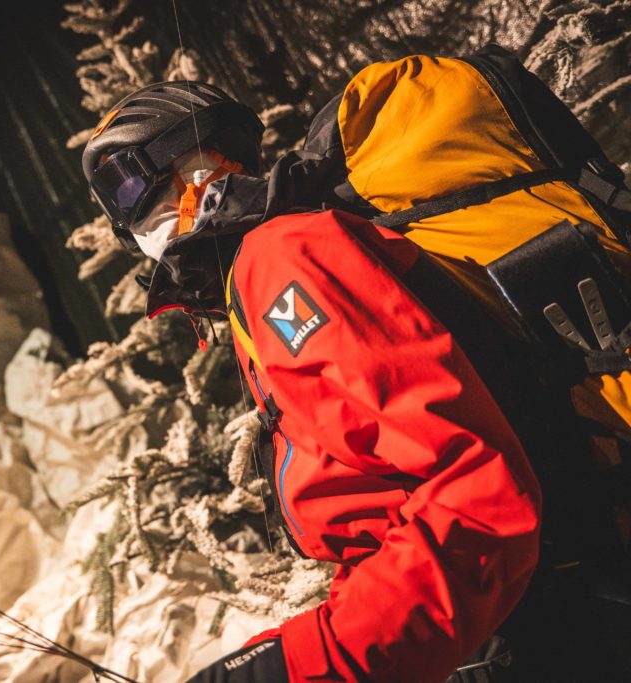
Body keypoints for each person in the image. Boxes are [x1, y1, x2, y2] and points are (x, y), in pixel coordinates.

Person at [82, 48, 631, 682]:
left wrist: (303, 665)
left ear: (185, 163)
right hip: (513, 608)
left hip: (567, 607)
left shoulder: (279, 259)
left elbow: (471, 492)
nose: (132, 225)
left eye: (127, 189)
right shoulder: (267, 271)